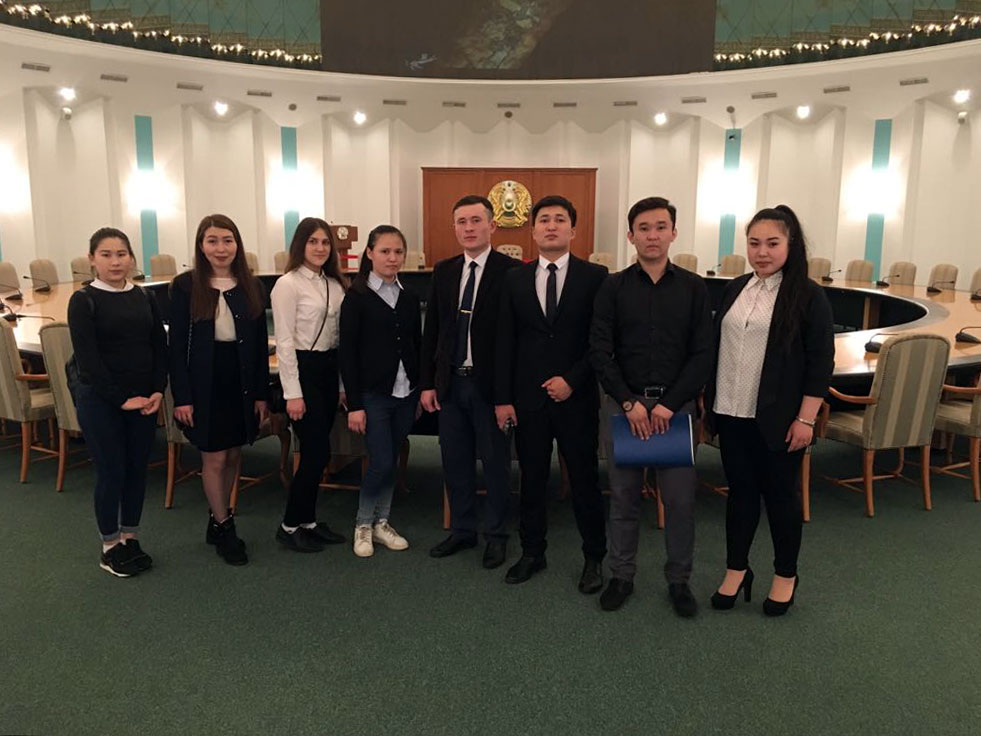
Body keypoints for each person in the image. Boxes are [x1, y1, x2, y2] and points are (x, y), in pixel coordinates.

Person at [705, 205, 834, 616]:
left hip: (781, 419)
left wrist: (806, 419)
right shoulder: (736, 288)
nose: (761, 252)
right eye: (754, 243)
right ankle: (737, 569)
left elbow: (820, 363)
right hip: (731, 410)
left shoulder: (808, 295)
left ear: (791, 245)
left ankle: (785, 575)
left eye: (772, 243)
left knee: (781, 498)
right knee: (740, 495)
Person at [589, 196, 712, 616]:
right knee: (623, 499)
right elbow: (600, 350)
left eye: (661, 227)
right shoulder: (612, 287)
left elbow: (702, 354)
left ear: (673, 233)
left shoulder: (694, 288)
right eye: (644, 228)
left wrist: (668, 405)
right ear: (631, 236)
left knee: (679, 502)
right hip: (626, 409)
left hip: (674, 412)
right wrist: (628, 402)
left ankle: (679, 581)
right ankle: (621, 576)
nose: (652, 235)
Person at [494, 195, 608, 592]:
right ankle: (532, 552)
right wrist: (503, 398)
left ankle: (594, 556)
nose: (551, 226)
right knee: (532, 478)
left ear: (573, 230)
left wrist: (572, 380)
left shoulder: (595, 277)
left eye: (560, 219)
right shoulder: (515, 278)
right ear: (533, 230)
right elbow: (505, 341)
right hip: (528, 400)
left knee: (584, 479)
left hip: (576, 397)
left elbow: (600, 340)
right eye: (544, 220)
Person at [421, 194, 521, 569]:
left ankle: (496, 535)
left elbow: (515, 339)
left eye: (476, 220)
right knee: (455, 461)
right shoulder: (445, 270)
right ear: (454, 228)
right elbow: (433, 331)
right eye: (461, 222)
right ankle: (463, 530)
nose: (469, 228)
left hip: (491, 387)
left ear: (492, 226)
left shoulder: (512, 272)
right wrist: (428, 383)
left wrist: (507, 394)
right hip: (451, 385)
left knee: (495, 464)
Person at [168, 214, 269, 566]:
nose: (221, 248)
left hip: (240, 380)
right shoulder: (185, 286)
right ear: (201, 245)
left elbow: (258, 346)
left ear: (237, 244)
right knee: (214, 457)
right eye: (212, 241)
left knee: (233, 454)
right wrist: (182, 397)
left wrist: (261, 394)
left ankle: (217, 517)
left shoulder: (251, 286)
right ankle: (225, 526)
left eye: (227, 240)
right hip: (203, 382)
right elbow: (176, 348)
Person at [69, 227, 167, 577]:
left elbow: (158, 346)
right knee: (112, 471)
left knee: (137, 470)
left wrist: (158, 389)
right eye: (106, 254)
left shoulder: (145, 297)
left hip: (143, 400)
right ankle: (109, 545)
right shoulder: (84, 300)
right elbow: (88, 361)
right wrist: (122, 399)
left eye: (122, 254)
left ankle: (130, 537)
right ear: (92, 259)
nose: (115, 262)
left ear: (131, 258)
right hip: (101, 400)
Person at [340, 225, 421, 557]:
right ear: (369, 253)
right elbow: (348, 353)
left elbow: (415, 344)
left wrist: (419, 388)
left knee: (392, 459)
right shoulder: (356, 297)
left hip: (406, 393)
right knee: (382, 461)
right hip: (373, 395)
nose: (392, 258)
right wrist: (355, 404)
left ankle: (382, 522)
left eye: (398, 252)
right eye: (385, 251)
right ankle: (363, 523)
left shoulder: (409, 296)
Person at [270, 217, 348, 553]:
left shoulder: (335, 284)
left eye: (325, 242)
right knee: (315, 453)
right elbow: (285, 342)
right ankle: (289, 525)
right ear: (300, 245)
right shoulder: (287, 284)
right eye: (313, 241)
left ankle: (309, 521)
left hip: (329, 370)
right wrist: (293, 393)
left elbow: (341, 339)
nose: (320, 248)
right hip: (303, 371)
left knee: (321, 452)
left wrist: (342, 385)